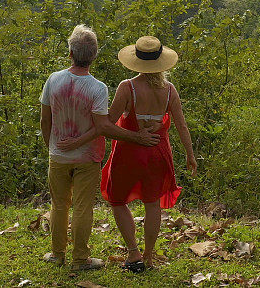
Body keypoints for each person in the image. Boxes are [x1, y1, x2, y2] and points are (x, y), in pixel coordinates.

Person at [59, 35, 197, 273]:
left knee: (117, 200)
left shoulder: (128, 87)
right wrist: (190, 155)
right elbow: (182, 126)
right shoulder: (169, 90)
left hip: (129, 152)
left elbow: (108, 123)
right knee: (153, 204)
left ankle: (133, 252)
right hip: (158, 152)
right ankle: (149, 255)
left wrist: (79, 141)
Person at [39, 25, 160, 271]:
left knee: (59, 204)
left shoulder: (53, 79)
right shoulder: (98, 88)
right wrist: (137, 137)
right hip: (88, 156)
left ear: (70, 53)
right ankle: (80, 259)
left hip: (58, 154)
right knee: (83, 207)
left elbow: (45, 120)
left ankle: (56, 254)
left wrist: (51, 145)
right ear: (94, 56)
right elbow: (103, 127)